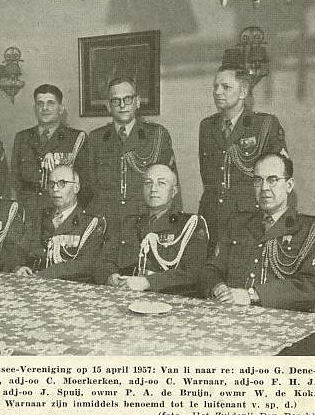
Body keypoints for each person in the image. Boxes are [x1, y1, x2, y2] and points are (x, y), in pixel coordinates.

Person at [200, 154, 315, 312]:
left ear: (289, 185)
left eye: (272, 180)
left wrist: (254, 295)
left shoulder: (309, 230)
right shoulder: (237, 224)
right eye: (258, 180)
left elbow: (311, 285)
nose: (264, 187)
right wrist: (218, 287)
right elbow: (210, 269)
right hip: (230, 315)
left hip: (281, 320)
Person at [199, 66, 288, 255]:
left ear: (243, 92)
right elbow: (208, 178)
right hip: (212, 219)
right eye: (215, 86)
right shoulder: (207, 126)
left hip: (249, 220)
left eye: (226, 87)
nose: (217, 92)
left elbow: (280, 177)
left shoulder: (264, 125)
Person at [96, 164, 208, 295]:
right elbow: (103, 262)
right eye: (148, 183)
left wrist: (148, 282)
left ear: (174, 191)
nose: (153, 189)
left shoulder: (190, 225)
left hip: (169, 298)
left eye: (161, 183)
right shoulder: (129, 223)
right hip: (125, 295)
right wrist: (111, 276)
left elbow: (192, 273)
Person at [86, 77, 178, 234]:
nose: (122, 105)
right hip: (106, 226)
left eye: (127, 99)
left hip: (143, 225)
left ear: (137, 102)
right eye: (116, 100)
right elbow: (89, 189)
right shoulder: (96, 138)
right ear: (108, 106)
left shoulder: (157, 135)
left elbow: (171, 187)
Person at [11, 84, 91, 218]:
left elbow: (85, 183)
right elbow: (15, 180)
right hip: (28, 211)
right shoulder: (22, 138)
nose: (45, 108)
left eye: (51, 103)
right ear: (34, 108)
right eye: (40, 103)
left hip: (60, 210)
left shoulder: (76, 139)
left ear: (61, 109)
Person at [15, 165, 105, 282]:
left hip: (71, 286)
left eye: (62, 183)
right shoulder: (41, 216)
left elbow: (85, 265)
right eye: (52, 184)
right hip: (34, 280)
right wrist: (20, 267)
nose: (55, 189)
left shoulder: (90, 222)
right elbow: (21, 250)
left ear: (76, 187)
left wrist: (43, 275)